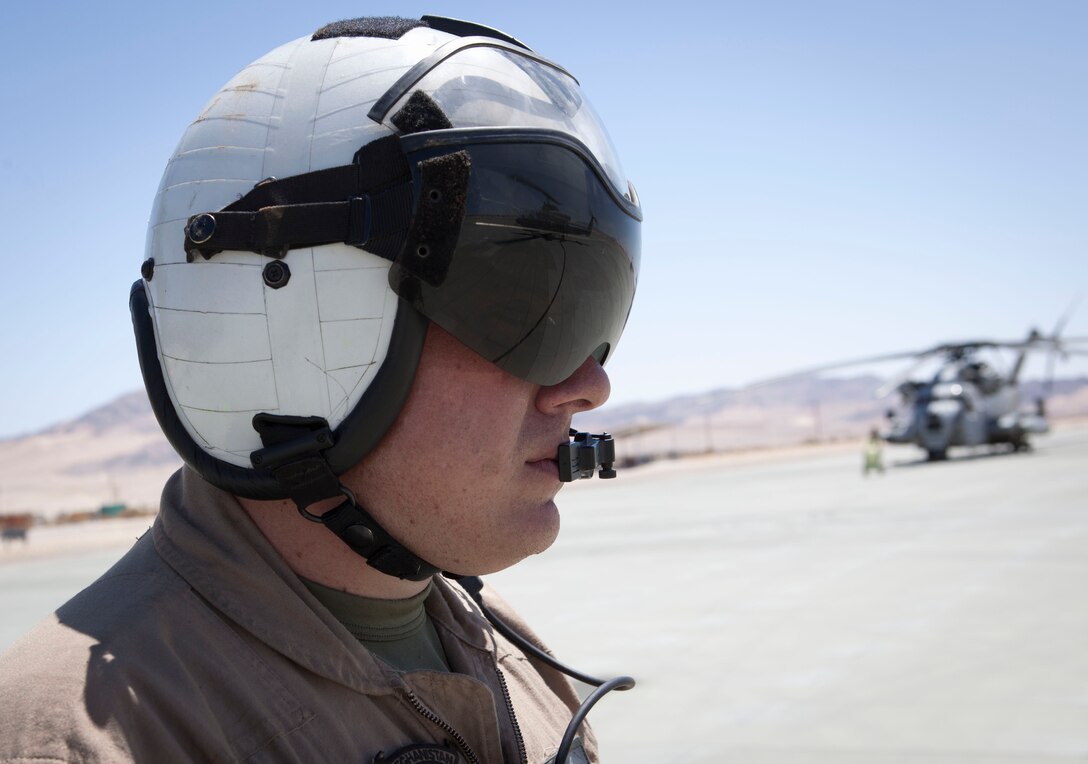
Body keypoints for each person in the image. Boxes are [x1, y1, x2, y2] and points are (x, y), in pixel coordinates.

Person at [0, 15, 641, 763]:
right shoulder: (91, 736)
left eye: (591, 318)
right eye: (521, 313)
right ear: (290, 329)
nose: (588, 386)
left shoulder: (515, 655)